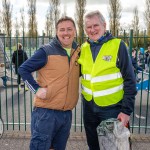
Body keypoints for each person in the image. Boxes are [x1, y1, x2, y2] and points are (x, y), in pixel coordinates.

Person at [18, 16, 80, 150]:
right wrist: (36, 89)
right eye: (62, 29)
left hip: (66, 114)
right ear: (57, 32)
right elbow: (23, 69)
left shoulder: (79, 52)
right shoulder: (46, 51)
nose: (66, 33)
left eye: (69, 29)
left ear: (75, 31)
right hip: (46, 113)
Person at [78, 10, 137, 150]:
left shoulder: (118, 45)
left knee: (114, 147)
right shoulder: (83, 48)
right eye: (88, 27)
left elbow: (130, 80)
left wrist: (126, 111)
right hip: (89, 109)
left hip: (112, 109)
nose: (92, 30)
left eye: (95, 25)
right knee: (93, 145)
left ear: (104, 25)